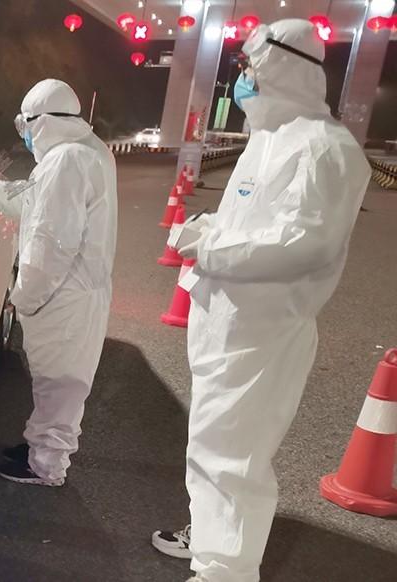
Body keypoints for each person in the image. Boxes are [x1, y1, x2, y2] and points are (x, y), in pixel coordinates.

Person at [151, 20, 371, 582]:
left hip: (263, 334)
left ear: (282, 66)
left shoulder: (325, 148)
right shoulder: (269, 138)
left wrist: (210, 247)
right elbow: (249, 223)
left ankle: (224, 571)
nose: (244, 77)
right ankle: (210, 541)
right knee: (211, 447)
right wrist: (207, 230)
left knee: (234, 458)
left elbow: (305, 244)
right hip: (226, 322)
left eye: (251, 66)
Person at [0, 79, 118, 487]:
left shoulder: (67, 161)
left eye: (26, 125)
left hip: (61, 294)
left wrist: (25, 296)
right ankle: (42, 451)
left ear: (43, 121)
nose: (26, 134)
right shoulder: (85, 150)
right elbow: (33, 201)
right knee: (60, 383)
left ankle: (46, 466)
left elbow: (50, 242)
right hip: (75, 291)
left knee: (58, 383)